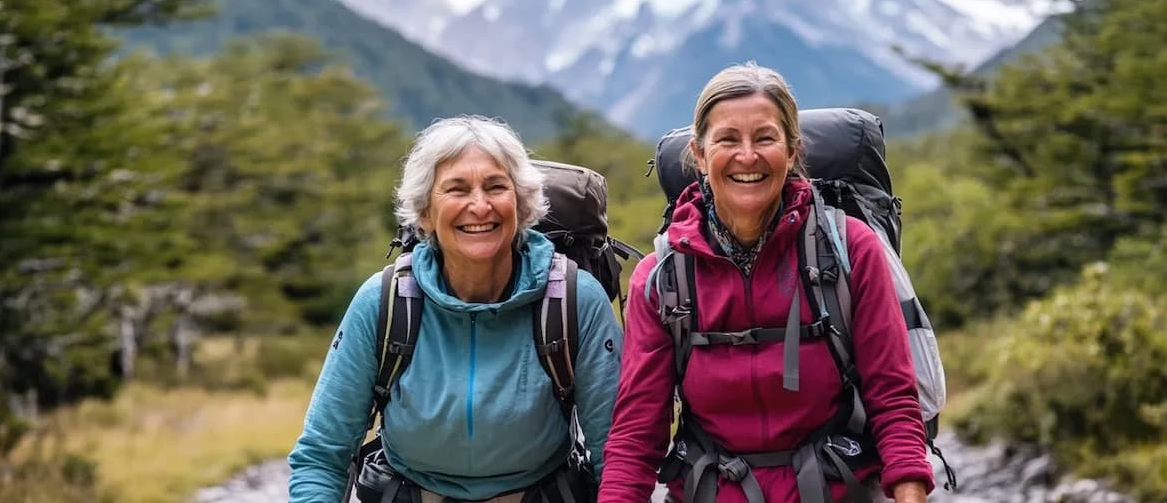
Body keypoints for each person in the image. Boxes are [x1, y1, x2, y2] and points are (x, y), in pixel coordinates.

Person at [598, 64, 933, 503]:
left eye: (765, 138)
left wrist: (911, 493)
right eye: (728, 140)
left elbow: (893, 399)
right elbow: (636, 435)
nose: (748, 156)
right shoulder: (663, 277)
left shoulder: (850, 249)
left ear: (792, 150)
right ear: (699, 154)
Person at [288, 116, 624, 503]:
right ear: (425, 214)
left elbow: (614, 455)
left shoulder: (573, 299)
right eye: (456, 189)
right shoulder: (383, 303)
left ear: (521, 204)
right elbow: (322, 455)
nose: (480, 206)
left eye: (496, 187)